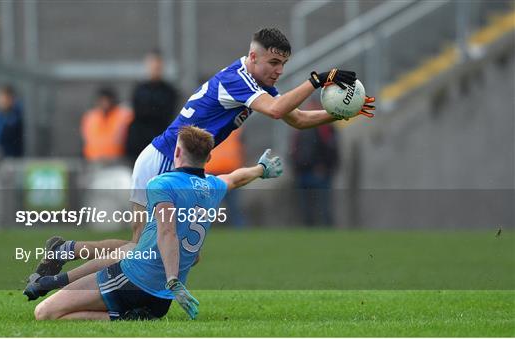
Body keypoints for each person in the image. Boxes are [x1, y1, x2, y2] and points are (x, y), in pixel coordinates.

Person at [26, 27, 374, 286]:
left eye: (282, 64)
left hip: (166, 159)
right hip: (166, 160)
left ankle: (66, 250)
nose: (278, 71)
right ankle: (65, 280)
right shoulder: (238, 80)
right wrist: (317, 81)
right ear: (253, 57)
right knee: (148, 250)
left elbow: (295, 119)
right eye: (273, 62)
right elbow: (280, 109)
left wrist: (342, 113)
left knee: (146, 247)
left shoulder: (257, 85)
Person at [29, 125, 283, 321]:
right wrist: (261, 169)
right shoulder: (212, 186)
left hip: (134, 280)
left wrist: (174, 279)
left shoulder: (161, 184)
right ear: (208, 158)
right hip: (160, 301)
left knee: (44, 313)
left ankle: (121, 318)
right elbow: (235, 178)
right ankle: (58, 276)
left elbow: (167, 233)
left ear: (177, 152)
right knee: (130, 248)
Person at [125, 49, 178, 164]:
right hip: (140, 141)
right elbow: (138, 112)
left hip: (159, 138)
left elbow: (166, 114)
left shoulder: (169, 91)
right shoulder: (139, 89)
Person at [205, 129, 247, 227]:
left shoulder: (236, 128)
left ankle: (239, 229)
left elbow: (242, 146)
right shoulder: (234, 126)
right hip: (212, 170)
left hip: (229, 169)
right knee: (207, 207)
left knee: (234, 206)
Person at [81, 87, 133, 162]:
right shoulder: (90, 117)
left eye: (106, 100)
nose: (104, 103)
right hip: (93, 160)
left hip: (118, 160)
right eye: (101, 100)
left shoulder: (123, 115)